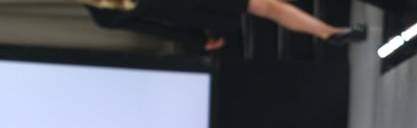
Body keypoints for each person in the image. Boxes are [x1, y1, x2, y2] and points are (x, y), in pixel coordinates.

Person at [83, 0, 367, 53]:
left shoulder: (103, 16)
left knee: (268, 7)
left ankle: (330, 33)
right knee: (268, 6)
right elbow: (157, 30)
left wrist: (196, 39)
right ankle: (329, 33)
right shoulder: (105, 16)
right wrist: (197, 40)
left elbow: (158, 29)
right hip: (194, 10)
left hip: (193, 13)